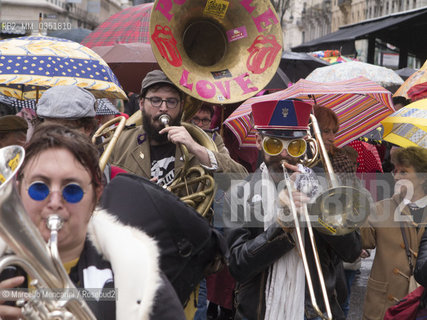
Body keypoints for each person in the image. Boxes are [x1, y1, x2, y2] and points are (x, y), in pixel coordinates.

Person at [0, 124, 185, 320]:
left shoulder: (136, 272)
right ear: (20, 191)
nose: (54, 202)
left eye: (72, 190)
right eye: (39, 188)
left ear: (95, 197)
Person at [225, 99, 362, 320]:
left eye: (295, 146)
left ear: (305, 146)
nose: (285, 154)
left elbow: (352, 250)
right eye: (274, 145)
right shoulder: (238, 194)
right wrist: (283, 225)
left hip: (314, 312)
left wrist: (317, 209)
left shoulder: (325, 188)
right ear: (259, 142)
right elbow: (238, 266)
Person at [109, 70, 246, 187]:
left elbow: (242, 181)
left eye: (171, 101)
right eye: (155, 100)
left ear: (181, 106)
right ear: (142, 104)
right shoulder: (119, 141)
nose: (163, 108)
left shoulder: (208, 141)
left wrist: (196, 148)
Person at [361, 146, 427, 320]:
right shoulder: (382, 208)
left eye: (404, 172)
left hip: (420, 306)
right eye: (395, 171)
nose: (397, 177)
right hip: (383, 306)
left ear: (422, 177)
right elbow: (358, 240)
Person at [34, 85, 127, 183]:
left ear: (88, 129)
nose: (57, 137)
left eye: (67, 129)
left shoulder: (115, 178)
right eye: (50, 129)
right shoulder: (22, 171)